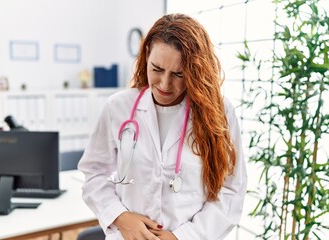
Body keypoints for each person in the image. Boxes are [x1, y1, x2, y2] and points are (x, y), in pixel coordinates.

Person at [78, 13, 248, 240]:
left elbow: (231, 189)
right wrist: (120, 217)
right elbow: (94, 173)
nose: (165, 84)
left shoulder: (219, 112)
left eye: (179, 74)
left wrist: (183, 236)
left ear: (196, 71)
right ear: (146, 55)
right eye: (157, 69)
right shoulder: (118, 107)